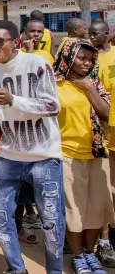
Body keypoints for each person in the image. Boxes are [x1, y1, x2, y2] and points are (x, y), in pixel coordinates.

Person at [0, 20, 64, 274]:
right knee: (1, 217)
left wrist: (14, 99)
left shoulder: (36, 64)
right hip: (9, 156)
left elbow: (52, 107)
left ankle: (54, 271)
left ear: (15, 41)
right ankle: (16, 268)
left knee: (51, 222)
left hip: (44, 157)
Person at [52, 38, 113, 274]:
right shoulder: (54, 85)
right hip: (67, 154)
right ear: (68, 56)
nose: (86, 63)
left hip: (97, 153)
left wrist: (87, 87)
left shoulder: (95, 83)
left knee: (96, 208)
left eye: (90, 59)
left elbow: (107, 113)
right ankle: (77, 256)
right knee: (74, 210)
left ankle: (90, 253)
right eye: (81, 58)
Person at [90, 19, 115, 266]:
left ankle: (107, 239)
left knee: (110, 190)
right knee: (99, 189)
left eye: (97, 34)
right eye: (90, 34)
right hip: (93, 132)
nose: (93, 38)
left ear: (108, 34)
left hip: (110, 128)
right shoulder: (88, 58)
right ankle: (100, 240)